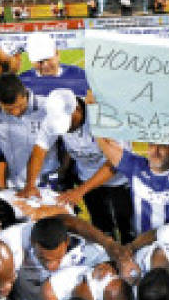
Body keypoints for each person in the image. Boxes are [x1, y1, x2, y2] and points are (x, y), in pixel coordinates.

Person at [21, 88, 132, 242]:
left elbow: (116, 162)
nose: (66, 129)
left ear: (77, 109)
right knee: (101, 228)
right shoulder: (52, 119)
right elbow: (39, 149)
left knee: (128, 228)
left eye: (68, 123)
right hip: (86, 177)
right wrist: (30, 184)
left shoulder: (105, 116)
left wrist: (80, 191)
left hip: (119, 181)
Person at [97, 137, 169, 237]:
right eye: (151, 145)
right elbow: (106, 146)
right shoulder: (136, 166)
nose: (155, 151)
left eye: (162, 146)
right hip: (141, 245)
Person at [19, 32, 89, 98]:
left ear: (57, 54)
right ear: (32, 61)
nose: (45, 65)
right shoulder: (21, 83)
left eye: (48, 59)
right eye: (40, 62)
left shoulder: (79, 75)